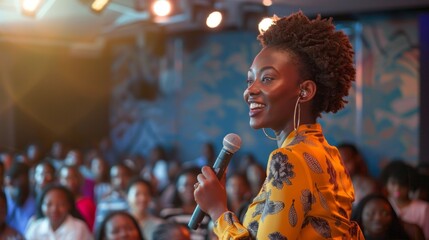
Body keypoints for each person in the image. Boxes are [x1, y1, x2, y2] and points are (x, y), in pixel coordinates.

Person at [193, 11, 364, 239]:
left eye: (267, 79)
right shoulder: (330, 156)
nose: (249, 91)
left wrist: (218, 211)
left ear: (305, 90)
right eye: (250, 80)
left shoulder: (289, 158)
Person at [380, 160, 429, 239]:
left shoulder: (424, 208)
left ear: (410, 186)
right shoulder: (381, 204)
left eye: (402, 185)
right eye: (393, 183)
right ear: (386, 183)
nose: (397, 188)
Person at [25, 184, 93, 240]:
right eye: (49, 204)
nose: (54, 210)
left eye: (61, 204)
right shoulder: (35, 228)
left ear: (69, 205)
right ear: (41, 206)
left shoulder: (80, 228)